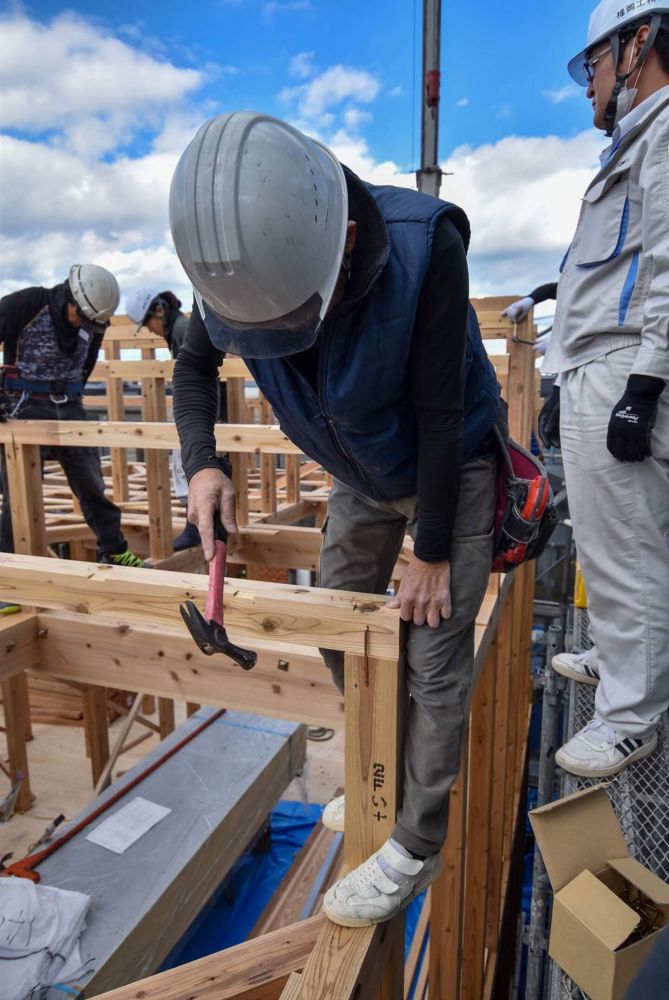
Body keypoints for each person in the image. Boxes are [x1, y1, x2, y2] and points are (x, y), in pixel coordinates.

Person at [169, 112, 501, 926]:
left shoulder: (426, 249)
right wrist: (202, 463)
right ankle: (377, 765)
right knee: (335, 616)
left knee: (433, 656)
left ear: (344, 238)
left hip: (445, 464)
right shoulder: (239, 265)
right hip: (357, 467)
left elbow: (440, 409)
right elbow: (191, 366)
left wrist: (430, 551)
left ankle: (414, 846)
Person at [540, 0, 669, 777]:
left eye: (592, 62)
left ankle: (631, 713)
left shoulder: (663, 135)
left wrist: (645, 383)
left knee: (625, 544)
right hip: (600, 362)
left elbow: (666, 268)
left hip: (625, 366)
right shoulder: (639, 141)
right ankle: (625, 656)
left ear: (639, 42)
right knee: (604, 534)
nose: (588, 81)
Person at [0, 265, 144, 566]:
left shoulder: (93, 319)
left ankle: (115, 551)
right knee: (20, 499)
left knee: (92, 485)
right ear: (69, 299)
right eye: (82, 318)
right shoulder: (28, 305)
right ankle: (9, 579)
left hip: (69, 407)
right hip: (24, 407)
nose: (87, 328)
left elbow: (86, 364)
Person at [126, 288, 200, 550]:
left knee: (186, 463)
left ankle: (197, 529)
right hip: (206, 414)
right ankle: (205, 528)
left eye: (148, 324)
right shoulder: (182, 330)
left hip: (206, 415)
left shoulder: (182, 330)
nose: (150, 330)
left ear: (159, 310)